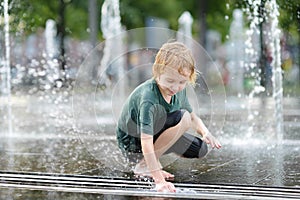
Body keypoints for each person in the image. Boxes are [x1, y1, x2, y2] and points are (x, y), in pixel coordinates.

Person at [116, 41, 221, 193]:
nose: (175, 87)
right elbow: (146, 142)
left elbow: (193, 117)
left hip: (156, 131)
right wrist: (158, 179)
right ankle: (144, 164)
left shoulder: (178, 90)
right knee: (182, 118)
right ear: (157, 73)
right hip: (133, 143)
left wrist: (205, 132)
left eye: (182, 82)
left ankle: (151, 160)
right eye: (170, 81)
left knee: (200, 148)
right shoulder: (149, 97)